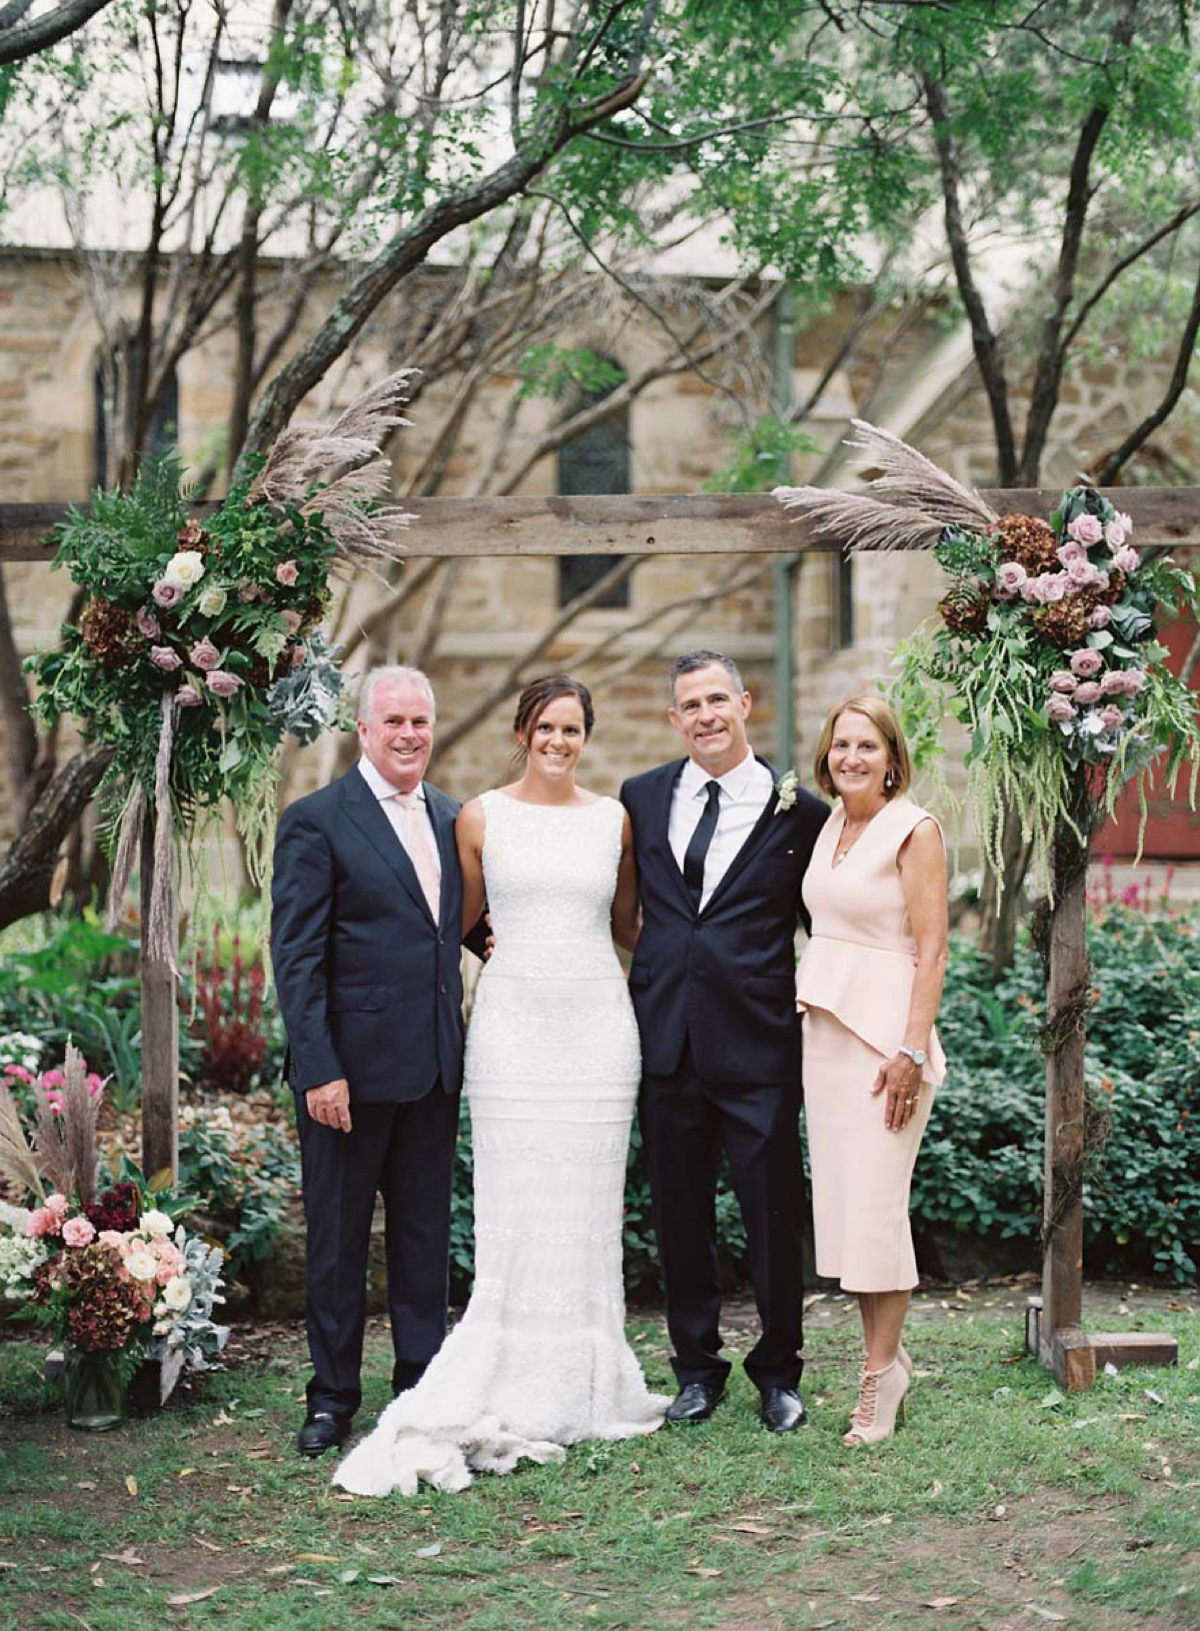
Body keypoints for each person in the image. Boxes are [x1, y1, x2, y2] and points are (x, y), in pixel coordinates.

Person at [334, 675, 667, 1496]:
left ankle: (593, 1376)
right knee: (516, 1205)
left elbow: (631, 926)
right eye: (546, 726)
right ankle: (505, 1367)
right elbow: (458, 923)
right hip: (514, 1032)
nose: (560, 740)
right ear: (522, 731)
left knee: (588, 1207)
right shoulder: (481, 816)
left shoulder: (612, 820)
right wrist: (524, 970)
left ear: (587, 735)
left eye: (573, 728)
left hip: (597, 1029)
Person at [271, 665, 482, 1459]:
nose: (407, 735)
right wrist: (320, 1067)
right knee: (336, 1240)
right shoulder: (318, 820)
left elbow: (457, 929)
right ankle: (331, 1398)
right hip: (346, 1080)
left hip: (431, 1069)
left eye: (420, 721)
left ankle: (420, 1384)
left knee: (425, 1239)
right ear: (362, 729)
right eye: (392, 721)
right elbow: (296, 956)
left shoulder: (452, 816)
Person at [620, 651, 827, 1433]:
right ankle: (697, 1369)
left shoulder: (799, 811)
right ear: (674, 720)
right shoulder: (641, 797)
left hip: (760, 1045)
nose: (706, 715)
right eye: (689, 705)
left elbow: (828, 923)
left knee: (772, 1215)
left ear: (746, 702)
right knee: (679, 1216)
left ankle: (778, 1373)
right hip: (667, 1040)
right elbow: (629, 912)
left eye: (718, 699)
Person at [796, 694, 948, 1445]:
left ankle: (877, 1382)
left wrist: (911, 1051)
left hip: (888, 1047)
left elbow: (933, 949)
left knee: (880, 1211)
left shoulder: (913, 830)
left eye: (866, 746)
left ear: (892, 757)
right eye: (840, 744)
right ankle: (883, 1362)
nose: (851, 757)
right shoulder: (833, 825)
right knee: (853, 1215)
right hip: (824, 1035)